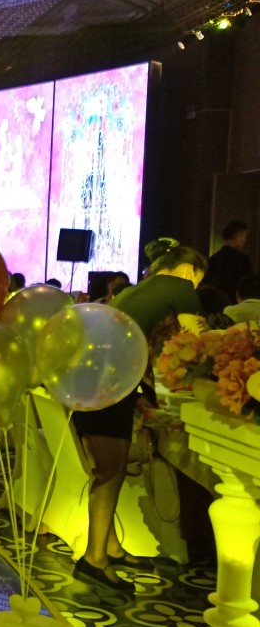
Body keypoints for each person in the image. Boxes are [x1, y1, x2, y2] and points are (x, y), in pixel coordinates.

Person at [71, 237, 206, 594]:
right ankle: (93, 561)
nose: (196, 288)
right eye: (198, 279)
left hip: (90, 378)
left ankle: (110, 547)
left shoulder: (136, 290)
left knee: (106, 468)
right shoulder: (180, 288)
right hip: (110, 383)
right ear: (187, 270)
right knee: (111, 470)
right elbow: (198, 343)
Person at [204, 220, 251, 299]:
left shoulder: (213, 259)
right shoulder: (242, 260)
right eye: (244, 236)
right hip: (235, 302)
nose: (244, 240)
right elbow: (246, 285)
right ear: (237, 236)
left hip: (217, 301)